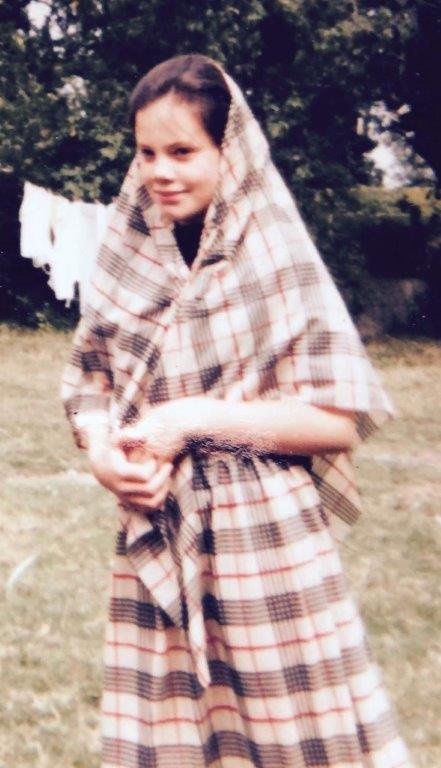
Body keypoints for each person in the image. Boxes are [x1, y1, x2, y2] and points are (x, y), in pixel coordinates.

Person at [62, 54, 412, 768]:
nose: (162, 172)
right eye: (148, 153)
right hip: (157, 531)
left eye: (184, 152)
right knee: (175, 744)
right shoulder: (127, 258)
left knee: (294, 743)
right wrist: (105, 458)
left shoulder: (273, 258)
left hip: (266, 547)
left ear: (231, 151)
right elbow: (91, 385)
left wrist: (191, 420)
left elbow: (335, 424)